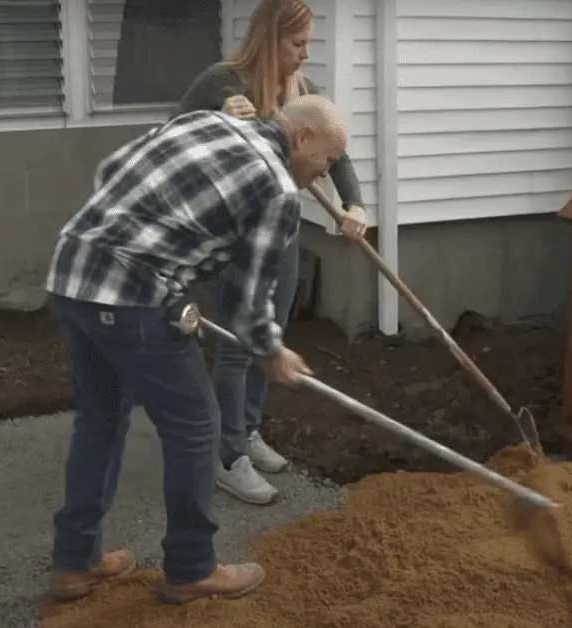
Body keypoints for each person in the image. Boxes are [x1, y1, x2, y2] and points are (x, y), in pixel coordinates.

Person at [43, 94, 349, 605]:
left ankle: (75, 562)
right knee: (198, 427)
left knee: (100, 421)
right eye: (329, 160)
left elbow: (113, 170)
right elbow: (252, 297)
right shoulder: (276, 190)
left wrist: (150, 242)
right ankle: (192, 567)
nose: (327, 173)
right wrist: (271, 350)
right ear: (302, 138)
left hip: (72, 272)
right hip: (131, 296)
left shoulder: (208, 121)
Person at [176, 0, 368, 506]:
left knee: (271, 337)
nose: (304, 54)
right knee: (239, 346)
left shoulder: (301, 90)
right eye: (296, 43)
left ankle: (248, 430)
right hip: (232, 236)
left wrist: (354, 204)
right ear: (269, 38)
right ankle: (227, 457)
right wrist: (217, 119)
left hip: (279, 232)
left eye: (308, 43)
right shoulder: (222, 82)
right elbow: (173, 137)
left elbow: (337, 154)